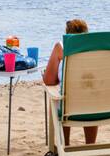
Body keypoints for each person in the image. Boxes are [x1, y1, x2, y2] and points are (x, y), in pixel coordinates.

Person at [41, 18, 97, 147]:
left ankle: (65, 145)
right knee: (90, 95)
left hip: (69, 107)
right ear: (87, 32)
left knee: (59, 97)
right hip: (99, 107)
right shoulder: (98, 48)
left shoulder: (61, 47)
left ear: (67, 34)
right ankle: (91, 145)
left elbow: (49, 81)